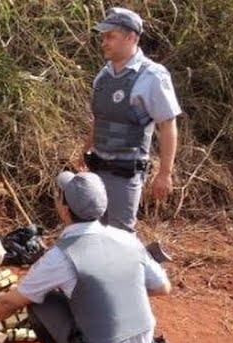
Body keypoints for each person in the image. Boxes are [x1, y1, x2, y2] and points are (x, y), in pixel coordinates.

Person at [0, 171, 171, 343]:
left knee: (39, 302)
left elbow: (9, 302)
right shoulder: (128, 239)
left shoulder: (62, 257)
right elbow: (163, 287)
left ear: (64, 210)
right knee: (103, 303)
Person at [80, 7, 182, 232]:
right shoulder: (103, 76)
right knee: (93, 232)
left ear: (131, 37)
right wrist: (83, 153)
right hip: (96, 168)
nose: (104, 42)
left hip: (125, 174)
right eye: (103, 37)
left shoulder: (152, 76)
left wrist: (165, 173)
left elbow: (167, 125)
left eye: (110, 36)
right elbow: (99, 120)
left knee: (120, 237)